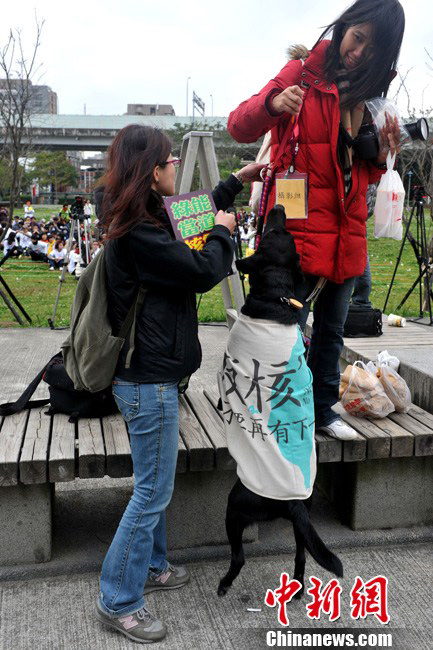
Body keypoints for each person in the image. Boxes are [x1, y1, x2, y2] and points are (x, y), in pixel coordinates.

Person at [95, 124, 265, 643]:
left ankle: (153, 566)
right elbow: (202, 270)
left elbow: (191, 212)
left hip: (151, 376)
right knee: (152, 491)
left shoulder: (144, 217)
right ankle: (118, 599)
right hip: (149, 383)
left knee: (154, 484)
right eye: (170, 163)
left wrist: (236, 179)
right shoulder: (141, 234)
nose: (175, 170)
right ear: (153, 172)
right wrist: (222, 230)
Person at [228, 0, 404, 440]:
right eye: (357, 37)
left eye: (372, 47)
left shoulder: (373, 97)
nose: (359, 52)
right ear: (344, 26)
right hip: (297, 235)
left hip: (346, 233)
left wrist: (381, 155)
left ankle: (322, 409)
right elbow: (238, 125)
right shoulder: (303, 72)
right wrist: (273, 102)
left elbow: (358, 174)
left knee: (331, 332)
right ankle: (270, 410)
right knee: (282, 332)